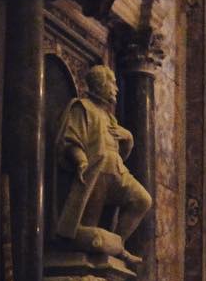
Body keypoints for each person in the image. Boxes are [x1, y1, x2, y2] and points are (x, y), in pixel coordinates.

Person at [55, 65, 151, 265]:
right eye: (112, 83)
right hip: (96, 172)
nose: (116, 88)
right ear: (100, 85)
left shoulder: (109, 117)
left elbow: (118, 153)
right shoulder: (82, 107)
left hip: (117, 171)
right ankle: (93, 252)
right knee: (89, 223)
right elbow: (71, 140)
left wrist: (129, 139)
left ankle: (118, 245)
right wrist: (80, 160)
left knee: (142, 200)